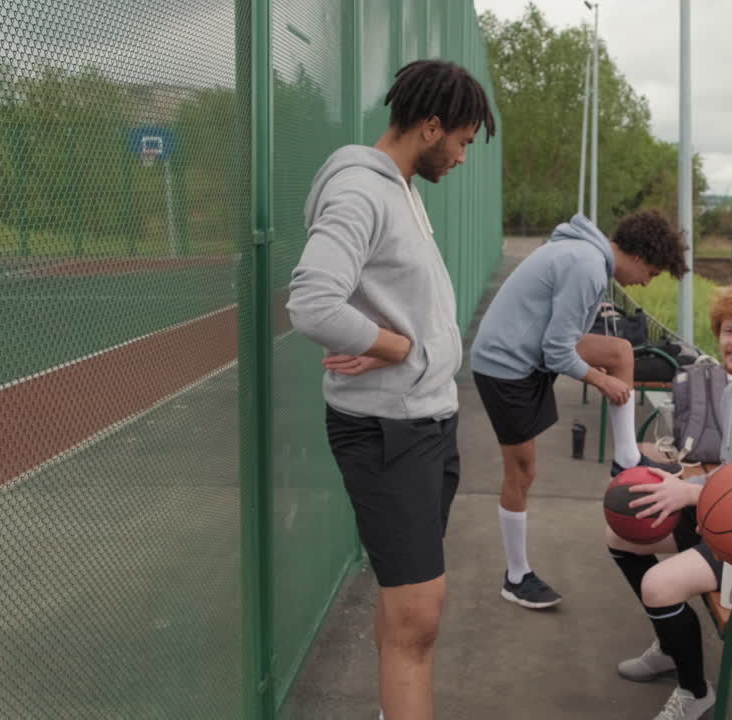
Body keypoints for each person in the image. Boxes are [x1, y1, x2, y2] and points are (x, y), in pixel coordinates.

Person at [285, 60, 495, 720]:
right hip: (389, 431)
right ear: (429, 126)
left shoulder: (398, 186)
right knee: (418, 620)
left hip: (424, 421)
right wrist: (393, 346)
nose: (463, 157)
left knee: (406, 603)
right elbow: (312, 302)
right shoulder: (361, 191)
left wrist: (407, 352)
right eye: (461, 141)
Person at [470, 209, 688, 609]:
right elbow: (557, 351)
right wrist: (599, 380)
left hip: (527, 348)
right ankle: (516, 576)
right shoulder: (587, 266)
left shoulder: (588, 256)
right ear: (640, 257)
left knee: (620, 350)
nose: (644, 283)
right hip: (505, 365)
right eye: (652, 273)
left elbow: (559, 340)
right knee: (522, 471)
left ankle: (626, 460)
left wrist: (603, 370)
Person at [606, 286, 732, 720]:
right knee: (621, 532)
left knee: (659, 586)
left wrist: (693, 492)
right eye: (728, 330)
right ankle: (671, 641)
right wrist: (678, 480)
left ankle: (695, 692)